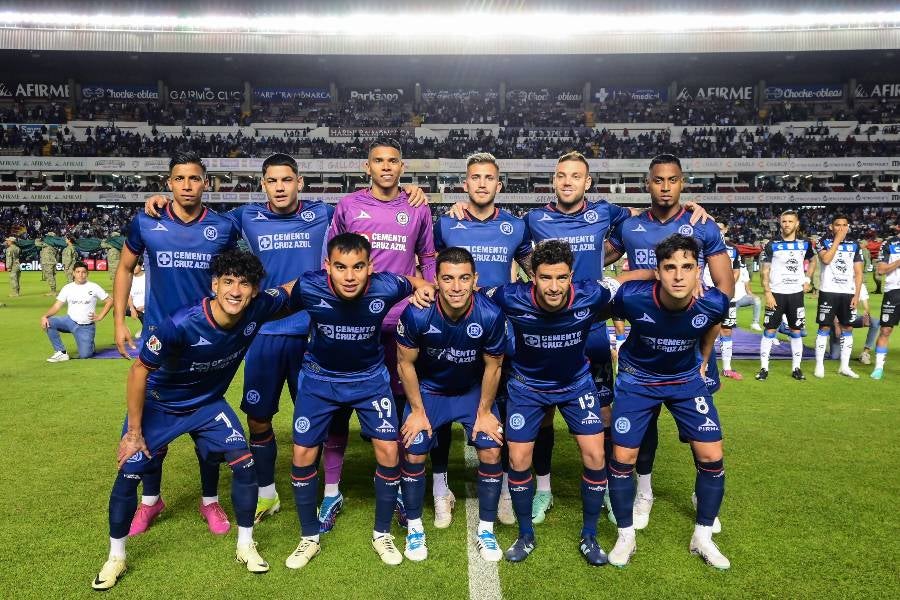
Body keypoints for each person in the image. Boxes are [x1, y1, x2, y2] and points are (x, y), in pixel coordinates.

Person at [513, 151, 710, 526]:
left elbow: (647, 218)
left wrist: (690, 211)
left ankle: (602, 484)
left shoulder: (606, 212)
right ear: (553, 180)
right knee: (543, 414)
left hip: (591, 328)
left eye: (576, 176)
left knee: (603, 413)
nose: (568, 181)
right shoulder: (534, 219)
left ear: (587, 182)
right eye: (561, 175)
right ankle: (544, 489)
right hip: (548, 328)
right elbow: (519, 249)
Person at [144, 152, 334, 524]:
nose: (280, 187)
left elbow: (369, 210)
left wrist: (413, 195)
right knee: (258, 419)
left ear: (299, 182)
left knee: (313, 420)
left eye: (287, 180)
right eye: (272, 181)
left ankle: (319, 493)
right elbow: (198, 219)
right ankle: (267, 494)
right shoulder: (245, 216)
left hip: (312, 334)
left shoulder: (323, 213)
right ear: (263, 185)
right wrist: (165, 204)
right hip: (261, 333)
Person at [91, 249, 297, 590]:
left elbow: (292, 290)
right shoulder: (180, 324)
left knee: (245, 465)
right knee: (129, 473)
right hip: (162, 405)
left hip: (207, 405)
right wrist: (135, 432)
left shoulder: (258, 308)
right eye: (228, 282)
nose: (235, 291)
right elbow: (139, 370)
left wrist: (331, 274)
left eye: (244, 284)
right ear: (214, 285)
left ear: (255, 290)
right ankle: (116, 557)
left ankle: (246, 545)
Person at [484, 239, 647, 566]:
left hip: (576, 385)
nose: (554, 287)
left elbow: (627, 282)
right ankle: (525, 534)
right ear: (533, 277)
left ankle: (589, 535)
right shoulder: (510, 296)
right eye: (545, 277)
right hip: (528, 387)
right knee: (517, 458)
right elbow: (471, 294)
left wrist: (663, 275)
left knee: (595, 455)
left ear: (571, 276)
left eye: (561, 277)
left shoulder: (592, 293)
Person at [283, 233, 435, 569]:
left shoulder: (386, 285)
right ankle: (309, 537)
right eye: (341, 267)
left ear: (371, 267)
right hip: (320, 380)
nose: (350, 276)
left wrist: (423, 286)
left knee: (389, 450)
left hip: (369, 381)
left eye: (358, 267)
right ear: (327, 266)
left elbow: (412, 281)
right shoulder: (309, 285)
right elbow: (278, 296)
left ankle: (382, 534)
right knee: (302, 453)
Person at [114, 151, 242, 537]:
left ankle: (210, 501)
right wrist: (119, 321)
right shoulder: (146, 221)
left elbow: (237, 276)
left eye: (195, 178)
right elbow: (125, 268)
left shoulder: (223, 227)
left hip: (207, 342)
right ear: (169, 183)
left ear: (207, 183)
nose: (187, 186)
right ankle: (151, 501)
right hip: (159, 341)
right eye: (180, 179)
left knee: (206, 427)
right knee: (152, 424)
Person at [605, 154, 731, 532]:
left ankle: (702, 495)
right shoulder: (630, 225)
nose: (665, 187)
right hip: (645, 342)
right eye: (658, 180)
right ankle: (644, 492)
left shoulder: (701, 224)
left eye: (672, 180)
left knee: (698, 434)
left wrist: (703, 329)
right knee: (643, 427)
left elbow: (723, 288)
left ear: (682, 183)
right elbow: (594, 258)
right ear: (647, 184)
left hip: (687, 344)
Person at [319, 138, 435, 533]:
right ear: (366, 167)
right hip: (353, 321)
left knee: (400, 404)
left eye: (393, 161)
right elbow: (329, 259)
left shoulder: (417, 206)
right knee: (338, 406)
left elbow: (428, 257)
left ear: (402, 167)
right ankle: (331, 492)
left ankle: (397, 485)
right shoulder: (349, 206)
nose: (386, 166)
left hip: (401, 322)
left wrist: (429, 293)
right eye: (378, 161)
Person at [432, 152, 533, 527]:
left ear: (498, 185)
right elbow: (427, 265)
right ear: (465, 184)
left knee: (498, 409)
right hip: (449, 332)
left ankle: (503, 487)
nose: (482, 183)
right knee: (441, 409)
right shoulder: (447, 224)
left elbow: (534, 271)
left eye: (489, 178)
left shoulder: (515, 226)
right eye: (475, 177)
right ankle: (440, 488)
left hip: (497, 332)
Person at [396, 247, 507, 562]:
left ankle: (486, 530)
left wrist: (484, 413)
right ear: (436, 280)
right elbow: (404, 363)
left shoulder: (490, 314)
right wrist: (418, 412)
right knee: (413, 450)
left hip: (471, 392)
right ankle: (415, 529)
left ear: (475, 280)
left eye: (463, 278)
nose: (456, 287)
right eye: (448, 279)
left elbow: (494, 367)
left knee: (491, 449)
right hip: (430, 392)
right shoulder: (417, 313)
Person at [756, 210, 816, 381]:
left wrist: (807, 279)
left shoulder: (804, 243)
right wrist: (768, 293)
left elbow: (813, 260)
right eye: (784, 221)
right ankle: (764, 368)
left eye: (790, 221)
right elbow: (764, 271)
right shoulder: (772, 244)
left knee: (796, 330)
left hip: (796, 294)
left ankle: (796, 368)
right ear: (780, 223)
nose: (787, 224)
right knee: (770, 330)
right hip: (776, 293)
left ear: (797, 224)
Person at [813, 215, 863, 379]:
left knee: (847, 328)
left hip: (848, 293)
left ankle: (844, 366)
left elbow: (858, 272)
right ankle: (819, 365)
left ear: (848, 227)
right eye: (838, 225)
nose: (841, 228)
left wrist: (857, 295)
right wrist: (837, 241)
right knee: (824, 327)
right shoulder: (822, 241)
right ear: (831, 227)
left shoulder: (854, 244)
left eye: (844, 225)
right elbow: (826, 260)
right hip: (828, 291)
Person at [41, 261, 113, 361]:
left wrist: (101, 316)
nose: (81, 274)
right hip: (69, 321)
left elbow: (110, 301)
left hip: (85, 327)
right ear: (73, 273)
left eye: (83, 272)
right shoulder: (68, 288)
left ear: (87, 274)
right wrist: (45, 316)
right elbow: (57, 306)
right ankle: (61, 352)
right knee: (49, 322)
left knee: (85, 355)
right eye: (78, 272)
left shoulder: (94, 287)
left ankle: (89, 344)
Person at [702, 222, 742, 379]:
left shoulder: (733, 249)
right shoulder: (703, 245)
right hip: (706, 295)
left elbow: (736, 271)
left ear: (725, 229)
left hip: (725, 296)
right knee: (703, 330)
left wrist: (727, 289)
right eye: (715, 227)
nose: (718, 230)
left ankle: (727, 368)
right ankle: (703, 366)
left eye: (720, 228)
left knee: (726, 330)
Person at [871, 232, 900, 379]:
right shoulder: (889, 244)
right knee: (886, 330)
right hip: (894, 291)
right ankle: (878, 368)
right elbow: (881, 270)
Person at [734, 262, 763, 331]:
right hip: (731, 300)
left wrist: (753, 295)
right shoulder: (727, 268)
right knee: (728, 325)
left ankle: (755, 323)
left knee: (757, 299)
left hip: (742, 298)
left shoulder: (744, 270)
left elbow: (747, 288)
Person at [127, 260, 146, 338]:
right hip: (135, 308)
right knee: (117, 311)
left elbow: (153, 295)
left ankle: (145, 329)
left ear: (141, 266)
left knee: (150, 333)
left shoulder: (147, 278)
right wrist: (132, 309)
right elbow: (129, 295)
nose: (133, 268)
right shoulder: (129, 279)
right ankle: (124, 331)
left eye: (136, 265)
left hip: (146, 308)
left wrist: (144, 306)